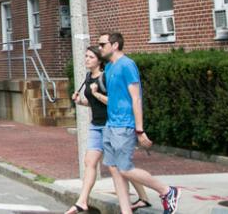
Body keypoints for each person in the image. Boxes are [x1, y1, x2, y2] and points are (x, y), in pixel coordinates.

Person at [98, 32, 181, 214]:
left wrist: (139, 129)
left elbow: (136, 98)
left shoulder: (127, 65)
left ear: (115, 45)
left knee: (125, 169)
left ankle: (167, 191)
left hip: (124, 124)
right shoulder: (110, 68)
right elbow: (112, 98)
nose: (99, 48)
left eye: (102, 44)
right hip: (111, 124)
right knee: (115, 170)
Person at [67, 46, 151, 214]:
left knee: (122, 166)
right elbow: (94, 104)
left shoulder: (106, 78)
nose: (86, 59)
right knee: (89, 162)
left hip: (110, 125)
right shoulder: (88, 77)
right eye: (86, 56)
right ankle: (82, 201)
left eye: (90, 57)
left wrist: (97, 94)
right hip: (95, 125)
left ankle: (144, 197)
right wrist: (80, 101)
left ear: (99, 60)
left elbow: (114, 102)